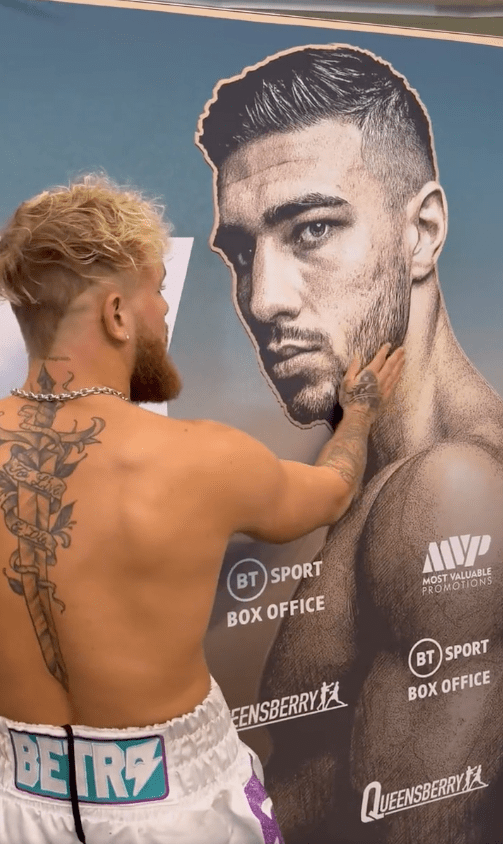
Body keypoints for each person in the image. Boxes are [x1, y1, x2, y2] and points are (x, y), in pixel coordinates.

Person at [0, 175, 403, 843]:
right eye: (156, 291)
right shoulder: (203, 458)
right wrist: (357, 412)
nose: (163, 312)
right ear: (116, 313)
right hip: (171, 806)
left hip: (15, 798)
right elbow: (330, 493)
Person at [197, 45, 503, 843]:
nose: (262, 299)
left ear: (421, 233)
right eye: (240, 253)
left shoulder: (452, 490)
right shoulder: (360, 475)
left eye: (311, 229)